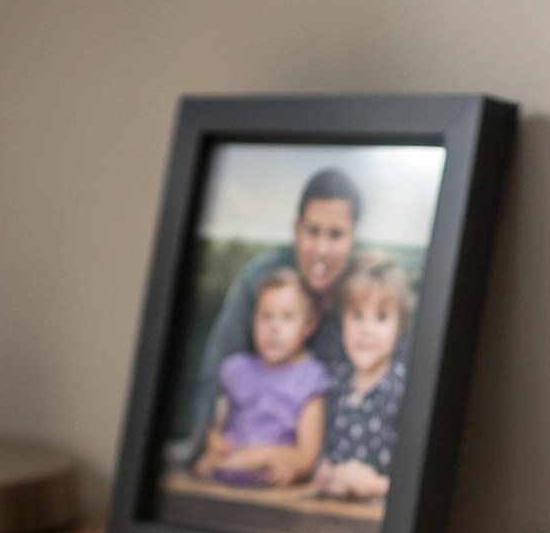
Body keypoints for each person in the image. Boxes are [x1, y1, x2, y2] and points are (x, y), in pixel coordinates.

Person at [177, 168, 361, 463]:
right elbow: (217, 368)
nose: (321, 250)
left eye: (336, 235)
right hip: (244, 453)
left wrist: (305, 460)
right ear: (296, 229)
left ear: (354, 237)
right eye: (312, 231)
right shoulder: (259, 280)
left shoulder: (363, 295)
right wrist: (210, 436)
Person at [192, 269, 330, 487]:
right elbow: (215, 429)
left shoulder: (310, 379)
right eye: (266, 316)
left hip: (274, 489)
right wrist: (216, 445)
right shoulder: (236, 370)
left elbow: (307, 456)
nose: (274, 327)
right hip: (225, 480)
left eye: (287, 317)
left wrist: (268, 458)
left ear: (309, 325)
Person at [312, 255, 414, 502]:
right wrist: (323, 473)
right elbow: (318, 452)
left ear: (400, 326)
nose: (366, 329)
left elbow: (415, 480)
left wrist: (377, 485)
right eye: (357, 315)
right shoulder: (332, 383)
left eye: (381, 317)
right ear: (342, 321)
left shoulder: (405, 390)